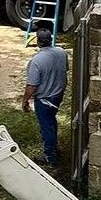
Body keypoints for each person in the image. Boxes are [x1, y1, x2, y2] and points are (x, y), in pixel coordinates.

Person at [21, 28, 68, 167]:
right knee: (51, 122)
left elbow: (32, 86)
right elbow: (65, 70)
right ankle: (54, 148)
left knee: (46, 126)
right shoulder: (61, 52)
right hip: (58, 95)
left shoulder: (36, 61)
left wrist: (25, 101)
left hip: (45, 99)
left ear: (37, 41)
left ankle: (50, 157)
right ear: (50, 39)